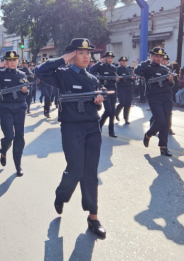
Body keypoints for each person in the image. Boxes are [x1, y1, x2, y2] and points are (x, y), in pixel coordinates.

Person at [35, 38, 107, 238]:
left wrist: (98, 101)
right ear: (72, 55)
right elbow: (40, 71)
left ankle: (93, 217)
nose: (86, 56)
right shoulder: (63, 75)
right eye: (80, 52)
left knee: (91, 172)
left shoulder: (91, 78)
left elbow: (97, 105)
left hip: (92, 127)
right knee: (75, 170)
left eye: (88, 53)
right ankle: (62, 194)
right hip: (71, 127)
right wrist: (64, 58)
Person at [0, 51, 29, 176]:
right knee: (9, 136)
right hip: (6, 108)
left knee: (19, 136)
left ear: (18, 61)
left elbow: (27, 91)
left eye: (15, 60)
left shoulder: (22, 74)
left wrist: (25, 92)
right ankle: (4, 150)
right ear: (7, 62)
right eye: (10, 60)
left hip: (20, 107)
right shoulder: (0, 73)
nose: (13, 62)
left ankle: (18, 165)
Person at [134, 48, 174, 156]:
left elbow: (171, 85)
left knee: (166, 122)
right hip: (154, 97)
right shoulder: (147, 67)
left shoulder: (165, 69)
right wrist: (146, 62)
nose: (158, 58)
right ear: (151, 56)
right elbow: (136, 71)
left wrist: (170, 81)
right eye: (155, 56)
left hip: (166, 96)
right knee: (160, 120)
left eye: (160, 57)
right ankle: (148, 134)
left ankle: (163, 147)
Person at [89, 52, 118, 137]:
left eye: (111, 58)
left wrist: (116, 79)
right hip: (104, 90)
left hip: (112, 89)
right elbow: (91, 70)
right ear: (104, 58)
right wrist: (99, 62)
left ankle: (111, 131)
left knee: (113, 111)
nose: (110, 59)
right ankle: (100, 124)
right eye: (108, 57)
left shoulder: (114, 68)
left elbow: (117, 77)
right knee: (108, 110)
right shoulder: (101, 66)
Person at [115, 56, 135, 125]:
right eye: (122, 61)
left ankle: (126, 118)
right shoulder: (117, 69)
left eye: (125, 61)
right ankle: (116, 113)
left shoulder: (128, 69)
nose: (124, 62)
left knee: (128, 104)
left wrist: (133, 78)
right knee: (122, 103)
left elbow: (132, 78)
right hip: (121, 88)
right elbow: (115, 78)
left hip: (128, 87)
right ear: (120, 62)